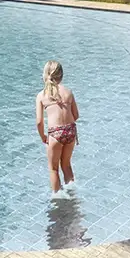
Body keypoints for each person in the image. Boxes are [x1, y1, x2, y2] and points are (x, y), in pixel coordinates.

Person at [35, 60, 79, 194]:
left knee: (53, 169)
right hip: (70, 131)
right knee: (66, 165)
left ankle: (58, 199)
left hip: (55, 133)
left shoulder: (41, 95)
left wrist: (43, 136)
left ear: (45, 75)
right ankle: (72, 195)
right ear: (61, 75)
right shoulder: (68, 92)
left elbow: (39, 122)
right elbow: (76, 115)